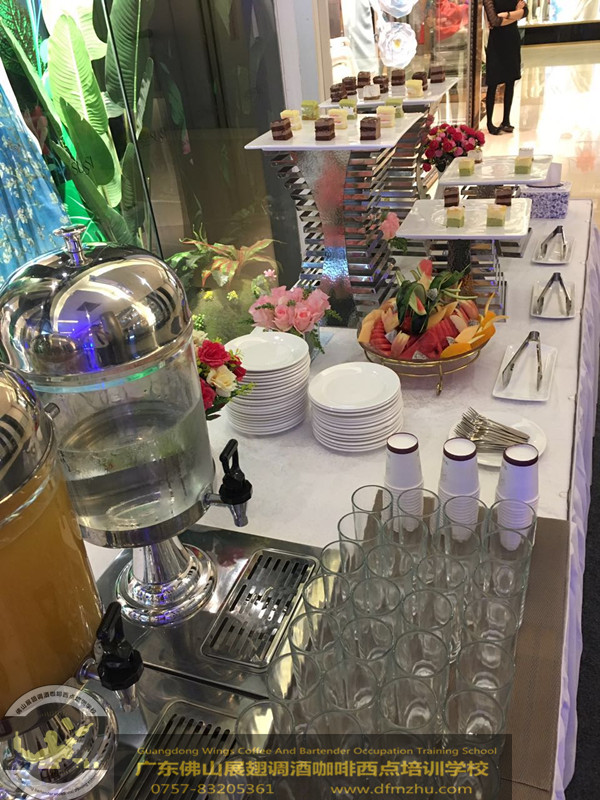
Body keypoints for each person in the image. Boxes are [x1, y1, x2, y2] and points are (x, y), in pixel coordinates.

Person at [483, 0, 528, 135]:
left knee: (510, 80)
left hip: (512, 39)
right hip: (496, 41)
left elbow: (525, 11)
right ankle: (489, 122)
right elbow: (495, 21)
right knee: (493, 82)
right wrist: (516, 14)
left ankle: (506, 120)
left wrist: (507, 15)